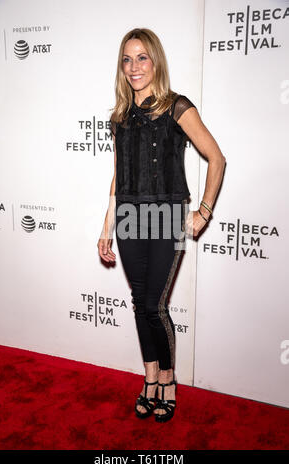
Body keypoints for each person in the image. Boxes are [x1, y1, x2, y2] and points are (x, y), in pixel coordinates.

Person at [97, 28, 226, 423]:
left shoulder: (176, 107)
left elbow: (216, 158)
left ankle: (168, 380)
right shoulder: (119, 118)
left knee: (156, 305)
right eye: (127, 59)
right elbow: (119, 177)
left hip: (168, 217)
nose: (134, 67)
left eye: (142, 57)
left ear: (156, 61)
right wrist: (106, 228)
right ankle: (149, 376)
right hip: (128, 218)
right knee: (140, 304)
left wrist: (203, 211)